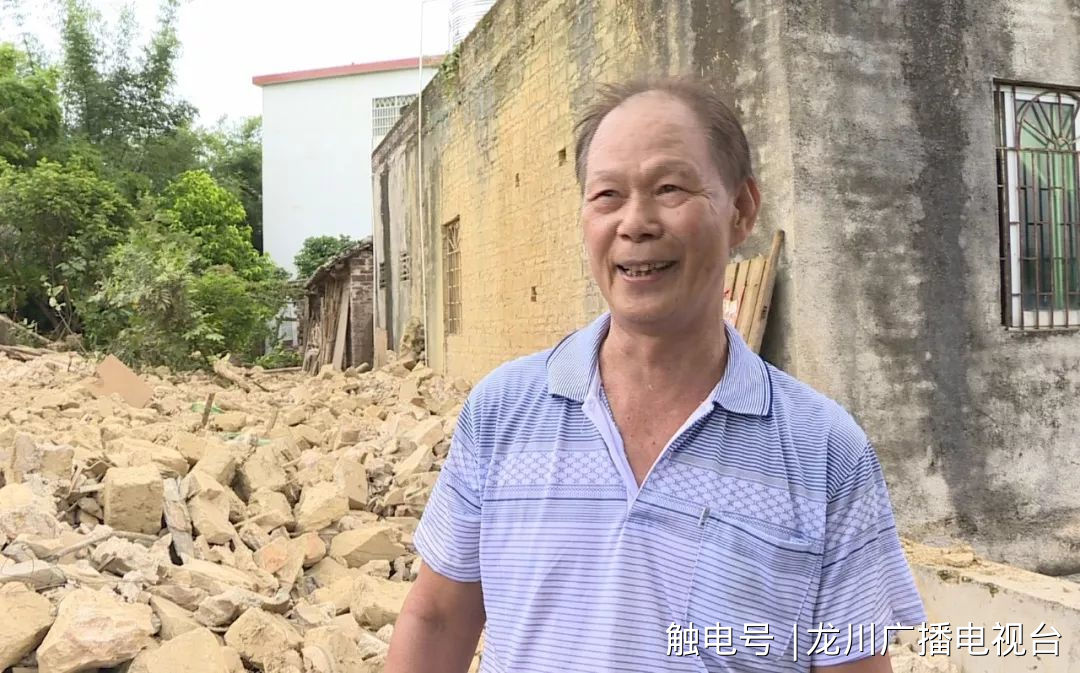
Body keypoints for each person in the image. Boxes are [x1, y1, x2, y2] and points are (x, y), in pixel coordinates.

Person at [385, 76, 926, 673]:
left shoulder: (825, 452)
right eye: (607, 195)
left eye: (669, 188)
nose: (635, 223)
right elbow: (438, 619)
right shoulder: (502, 411)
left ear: (742, 209)